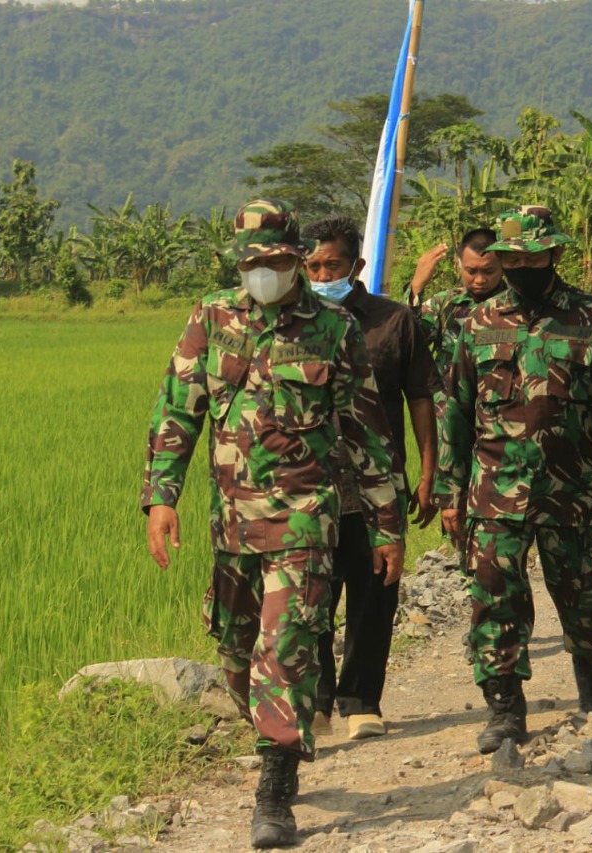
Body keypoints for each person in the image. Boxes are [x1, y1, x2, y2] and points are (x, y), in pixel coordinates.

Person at [142, 198, 407, 848]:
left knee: (285, 645)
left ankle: (275, 784)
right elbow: (178, 410)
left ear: (295, 258)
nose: (265, 271)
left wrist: (388, 521)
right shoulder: (212, 318)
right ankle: (271, 728)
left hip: (305, 522)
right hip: (232, 524)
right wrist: (161, 497)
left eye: (277, 260)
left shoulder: (335, 330)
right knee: (235, 647)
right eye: (253, 262)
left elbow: (367, 433)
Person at [433, 205, 592, 754]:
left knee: (582, 598)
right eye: (513, 258)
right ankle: (504, 707)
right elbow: (454, 413)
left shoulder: (591, 318)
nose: (524, 266)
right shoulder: (478, 324)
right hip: (493, 493)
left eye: (534, 256)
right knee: (494, 600)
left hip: (570, 492)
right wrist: (448, 491)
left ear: (554, 254)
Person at [301, 214, 439, 741]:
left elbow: (420, 397)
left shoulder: (394, 320)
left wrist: (428, 471)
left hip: (378, 482)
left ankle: (361, 700)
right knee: (311, 591)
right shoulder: (295, 323)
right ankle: (315, 700)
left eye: (330, 264)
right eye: (310, 265)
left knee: (374, 590)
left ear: (356, 265)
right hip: (309, 485)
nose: (319, 274)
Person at [406, 229, 506, 377]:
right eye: (471, 271)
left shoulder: (516, 306)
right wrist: (416, 287)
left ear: (503, 265)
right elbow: (407, 342)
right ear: (460, 264)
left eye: (489, 271)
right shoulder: (444, 304)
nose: (479, 280)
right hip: (448, 398)